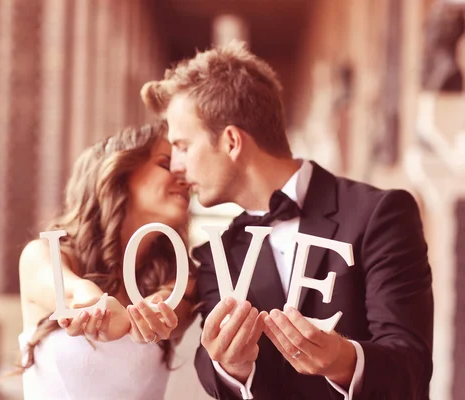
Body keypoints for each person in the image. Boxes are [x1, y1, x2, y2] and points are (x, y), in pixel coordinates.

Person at [140, 41, 434, 400]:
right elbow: (212, 370)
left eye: (183, 146)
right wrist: (232, 366)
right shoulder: (218, 252)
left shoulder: (381, 214)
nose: (177, 167)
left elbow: (413, 367)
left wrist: (343, 360)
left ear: (231, 141)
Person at [17, 120, 198, 400]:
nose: (183, 175)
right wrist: (93, 304)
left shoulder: (180, 277)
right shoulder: (43, 256)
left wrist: (141, 315)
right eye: (165, 163)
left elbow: (170, 309)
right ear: (120, 171)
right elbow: (73, 291)